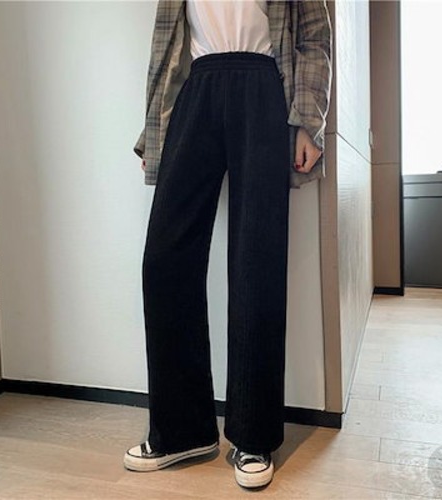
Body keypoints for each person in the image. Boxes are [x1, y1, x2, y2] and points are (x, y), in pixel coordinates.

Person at [123, 0, 332, 490]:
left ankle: (254, 434)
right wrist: (155, 131)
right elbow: (166, 48)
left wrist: (308, 121)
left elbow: (314, 36)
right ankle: (181, 431)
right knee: (165, 260)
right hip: (195, 90)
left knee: (257, 260)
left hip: (264, 87)